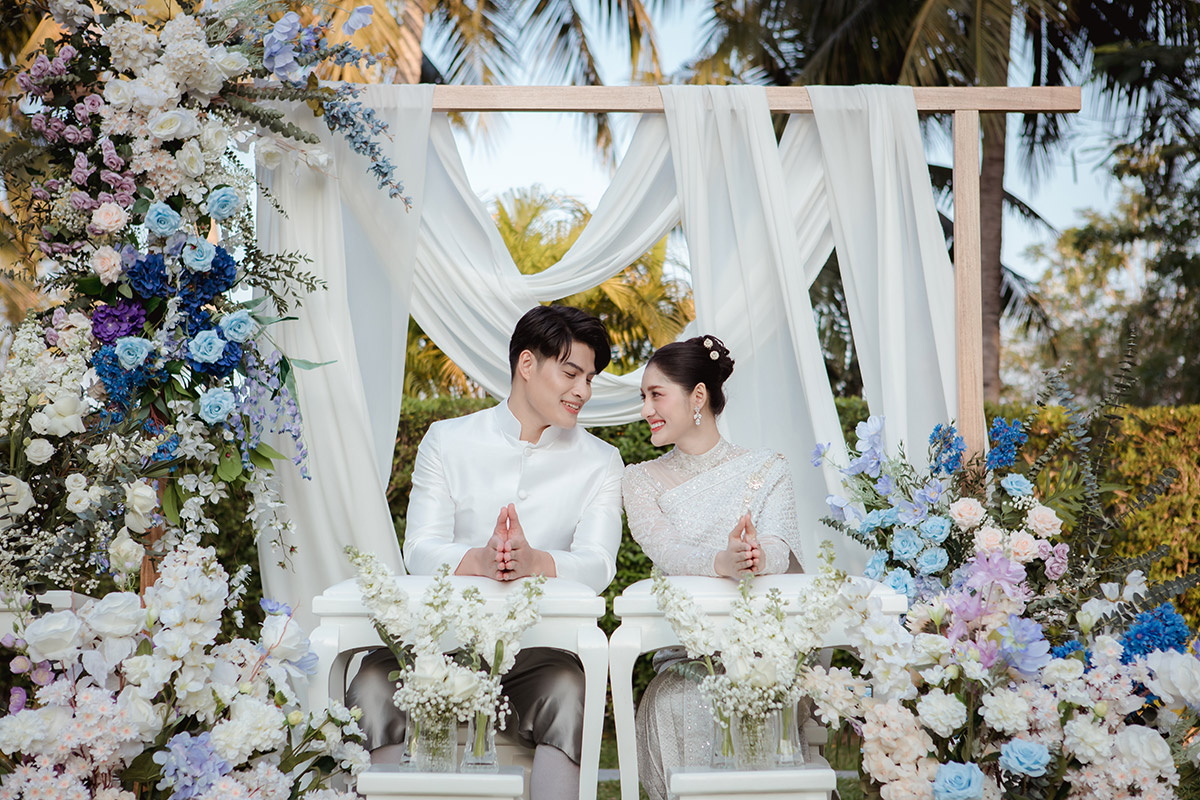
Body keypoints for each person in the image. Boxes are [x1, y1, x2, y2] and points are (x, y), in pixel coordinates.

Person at [347, 305, 624, 800]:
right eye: (570, 372)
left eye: (590, 377)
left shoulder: (601, 462)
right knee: (372, 676)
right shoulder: (447, 440)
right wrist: (479, 559)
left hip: (535, 655)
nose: (582, 390)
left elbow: (600, 564)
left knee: (570, 687)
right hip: (436, 646)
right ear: (526, 364)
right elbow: (420, 549)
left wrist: (535, 562)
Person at [622, 334, 805, 800]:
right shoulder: (639, 480)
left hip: (761, 655)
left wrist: (757, 556)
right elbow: (665, 551)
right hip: (687, 660)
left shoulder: (767, 467)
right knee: (677, 701)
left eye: (655, 394)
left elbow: (780, 546)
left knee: (763, 693)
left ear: (698, 396)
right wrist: (721, 562)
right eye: (643, 396)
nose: (646, 409)